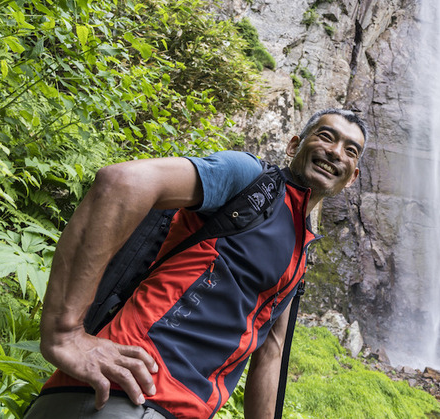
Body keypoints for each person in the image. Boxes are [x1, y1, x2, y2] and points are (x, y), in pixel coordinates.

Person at [25, 109, 368, 419]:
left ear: (352, 177)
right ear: (294, 146)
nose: (336, 152)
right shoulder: (251, 181)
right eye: (326, 136)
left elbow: (271, 353)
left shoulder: (299, 250)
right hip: (126, 392)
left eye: (350, 150)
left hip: (168, 407)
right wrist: (64, 333)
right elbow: (122, 183)